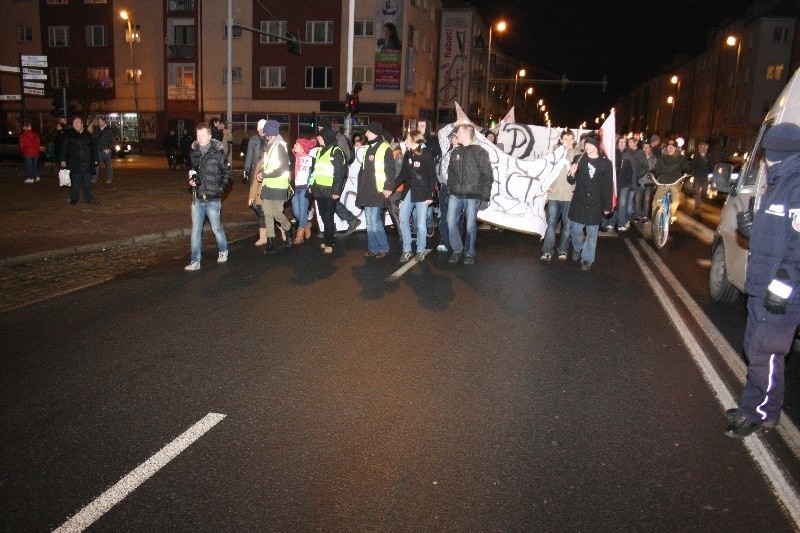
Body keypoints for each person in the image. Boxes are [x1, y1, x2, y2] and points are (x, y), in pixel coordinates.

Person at [724, 122, 800, 438]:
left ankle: (754, 412)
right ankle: (766, 410)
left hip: (780, 291)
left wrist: (783, 287)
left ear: (774, 152)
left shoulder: (795, 187)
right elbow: (776, 234)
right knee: (757, 349)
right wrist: (751, 231)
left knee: (763, 352)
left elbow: (797, 247)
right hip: (762, 282)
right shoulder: (778, 182)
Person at [184, 123, 231, 271]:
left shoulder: (218, 153)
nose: (200, 138)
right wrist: (191, 180)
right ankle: (195, 260)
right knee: (196, 230)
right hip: (197, 197)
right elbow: (191, 170)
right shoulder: (193, 152)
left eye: (203, 135)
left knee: (216, 228)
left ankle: (223, 250)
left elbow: (227, 174)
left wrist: (220, 189)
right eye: (198, 136)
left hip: (213, 198)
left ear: (210, 136)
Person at [446, 123, 493, 265]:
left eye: (458, 133)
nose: (456, 135)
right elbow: (451, 174)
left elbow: (487, 176)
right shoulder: (455, 152)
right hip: (455, 194)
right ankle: (457, 250)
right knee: (450, 223)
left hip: (473, 195)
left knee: (470, 226)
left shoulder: (480, 152)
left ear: (466, 134)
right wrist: (449, 192)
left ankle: (470, 253)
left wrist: (485, 197)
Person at [567, 134, 613, 271]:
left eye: (590, 144)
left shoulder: (606, 163)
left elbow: (607, 186)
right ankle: (577, 247)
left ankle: (587, 259)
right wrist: (572, 173)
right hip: (579, 202)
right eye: (586, 143)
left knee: (592, 235)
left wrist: (607, 206)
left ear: (597, 146)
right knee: (575, 231)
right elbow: (570, 181)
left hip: (595, 203)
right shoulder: (579, 159)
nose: (587, 146)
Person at [249, 120, 295, 255]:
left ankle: (289, 228)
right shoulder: (270, 145)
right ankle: (271, 243)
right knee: (268, 214)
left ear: (270, 133)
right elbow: (268, 165)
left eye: (266, 132)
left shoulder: (279, 146)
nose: (264, 134)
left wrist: (264, 174)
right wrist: (260, 173)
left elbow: (283, 168)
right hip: (268, 186)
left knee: (276, 213)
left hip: (278, 186)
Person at [393, 130, 437, 262]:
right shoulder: (407, 154)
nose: (405, 141)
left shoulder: (426, 154)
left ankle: (420, 250)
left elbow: (432, 176)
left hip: (423, 193)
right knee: (403, 219)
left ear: (413, 140)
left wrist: (431, 195)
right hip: (409, 192)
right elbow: (403, 175)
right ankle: (407, 250)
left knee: (421, 224)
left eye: (407, 139)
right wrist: (390, 188)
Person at [541, 129, 581, 261]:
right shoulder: (554, 154)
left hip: (570, 195)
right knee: (551, 223)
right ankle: (547, 251)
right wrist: (548, 185)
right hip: (554, 194)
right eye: (566, 140)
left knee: (567, 225)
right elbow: (547, 170)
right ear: (561, 140)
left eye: (571, 139)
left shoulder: (578, 154)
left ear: (574, 140)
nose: (569, 142)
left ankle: (563, 250)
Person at [357, 121, 395, 259]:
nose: (366, 133)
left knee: (375, 220)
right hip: (367, 190)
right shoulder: (367, 148)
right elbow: (363, 171)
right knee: (369, 220)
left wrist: (388, 187)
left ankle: (383, 247)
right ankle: (372, 248)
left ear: (374, 132)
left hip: (379, 190)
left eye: (368, 131)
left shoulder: (385, 148)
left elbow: (390, 170)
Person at [309, 128, 347, 254]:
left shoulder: (336, 151)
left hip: (330, 191)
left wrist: (336, 191)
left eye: (319, 137)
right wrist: (311, 185)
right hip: (319, 191)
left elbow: (339, 173)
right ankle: (328, 238)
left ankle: (329, 243)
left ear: (325, 137)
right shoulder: (320, 152)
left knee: (328, 216)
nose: (318, 139)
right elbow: (316, 170)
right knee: (324, 217)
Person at [60, 116, 99, 205]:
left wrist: (96, 158)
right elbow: (64, 147)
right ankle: (74, 198)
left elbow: (93, 147)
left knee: (87, 182)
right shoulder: (69, 134)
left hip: (86, 162)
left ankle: (88, 198)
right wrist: (63, 159)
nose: (76, 124)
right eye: (74, 122)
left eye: (78, 122)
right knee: (75, 182)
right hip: (75, 162)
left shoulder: (87, 134)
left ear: (82, 124)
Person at [652, 140, 691, 222]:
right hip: (663, 182)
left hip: (675, 181)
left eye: (672, 147)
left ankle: (671, 215)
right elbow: (657, 169)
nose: (670, 149)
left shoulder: (681, 158)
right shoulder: (662, 158)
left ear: (676, 148)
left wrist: (688, 170)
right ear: (666, 148)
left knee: (675, 200)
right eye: (669, 147)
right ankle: (655, 221)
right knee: (656, 201)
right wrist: (653, 172)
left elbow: (685, 166)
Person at [604, 137, 634, 232]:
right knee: (614, 203)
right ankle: (612, 222)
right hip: (614, 182)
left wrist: (633, 183)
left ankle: (621, 223)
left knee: (622, 204)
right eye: (620, 142)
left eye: (623, 142)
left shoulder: (629, 154)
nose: (621, 143)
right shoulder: (613, 153)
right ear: (617, 143)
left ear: (626, 143)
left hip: (625, 183)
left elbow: (634, 170)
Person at [291, 137, 317, 245]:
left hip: (305, 188)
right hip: (294, 188)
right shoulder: (293, 159)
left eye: (297, 144)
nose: (294, 146)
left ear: (302, 148)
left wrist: (311, 186)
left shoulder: (310, 159)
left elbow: (314, 173)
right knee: (296, 212)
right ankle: (306, 225)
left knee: (302, 211)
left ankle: (300, 234)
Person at [436, 129, 458, 252]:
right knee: (444, 216)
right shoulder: (447, 150)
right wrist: (455, 124)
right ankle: (445, 241)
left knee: (454, 217)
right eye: (452, 137)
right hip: (445, 187)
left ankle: (455, 243)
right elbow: (441, 133)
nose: (453, 139)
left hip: (456, 189)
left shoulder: (464, 151)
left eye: (456, 136)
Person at [634, 141, 657, 222]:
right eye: (644, 147)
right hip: (639, 181)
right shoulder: (638, 157)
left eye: (647, 147)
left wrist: (654, 179)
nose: (646, 149)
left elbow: (656, 170)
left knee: (646, 200)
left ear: (650, 149)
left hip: (649, 182)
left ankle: (644, 216)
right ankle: (637, 215)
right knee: (637, 199)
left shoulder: (654, 159)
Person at [691, 141, 714, 216]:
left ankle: (701, 202)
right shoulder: (696, 156)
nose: (704, 149)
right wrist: (691, 172)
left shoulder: (709, 156)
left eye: (705, 147)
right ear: (699, 148)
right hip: (697, 176)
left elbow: (712, 166)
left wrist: (713, 173)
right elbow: (692, 165)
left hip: (705, 177)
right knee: (697, 192)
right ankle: (697, 207)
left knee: (704, 192)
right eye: (702, 147)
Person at [92, 117, 115, 184]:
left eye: (100, 121)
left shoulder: (108, 130)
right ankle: (94, 178)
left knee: (108, 166)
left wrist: (109, 148)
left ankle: (109, 178)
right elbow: (94, 140)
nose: (99, 122)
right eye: (98, 121)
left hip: (106, 151)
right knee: (96, 165)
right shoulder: (97, 130)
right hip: (99, 150)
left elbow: (112, 141)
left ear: (104, 121)